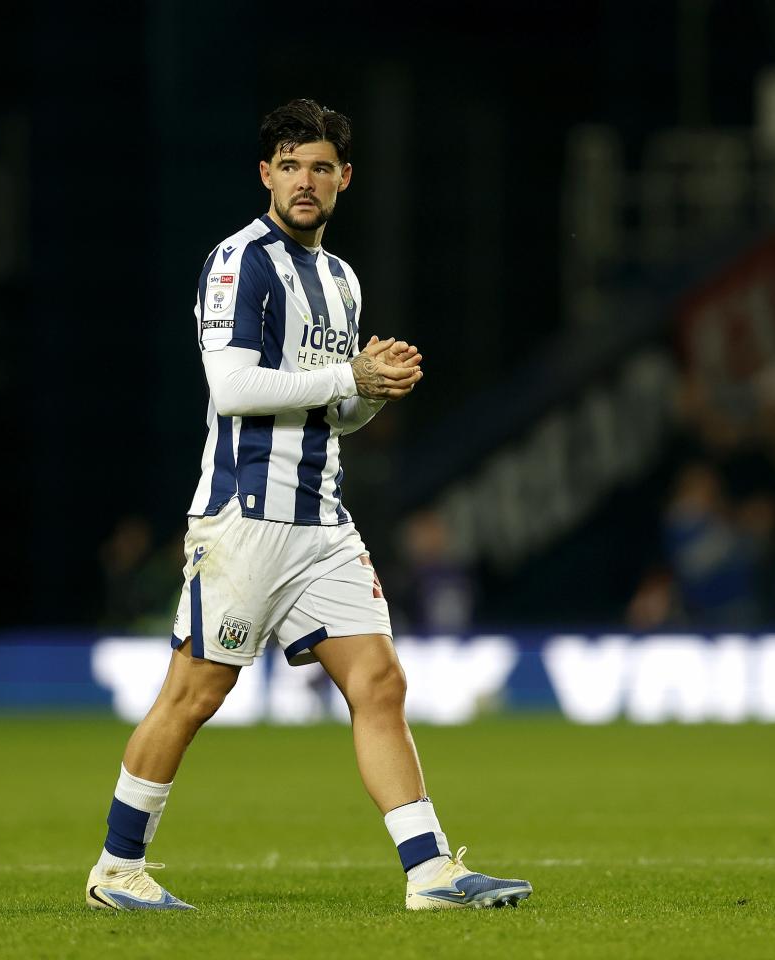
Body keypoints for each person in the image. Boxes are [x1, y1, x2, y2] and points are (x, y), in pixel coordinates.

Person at [84, 98, 531, 912]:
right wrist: (349, 378)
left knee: (380, 682)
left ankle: (430, 873)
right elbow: (234, 386)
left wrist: (376, 394)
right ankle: (116, 870)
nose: (304, 180)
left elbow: (334, 412)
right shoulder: (239, 262)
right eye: (289, 165)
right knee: (194, 695)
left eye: (321, 166)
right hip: (245, 517)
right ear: (265, 174)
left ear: (344, 179)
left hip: (322, 521)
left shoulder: (340, 280)